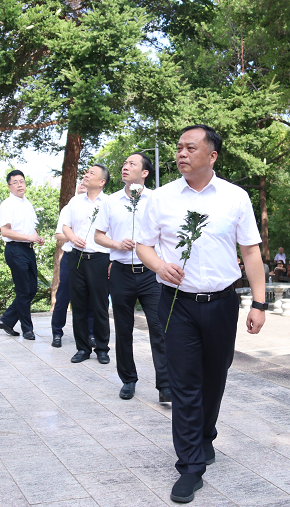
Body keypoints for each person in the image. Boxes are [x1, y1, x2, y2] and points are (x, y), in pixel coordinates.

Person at [136, 125, 266, 504]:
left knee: (214, 376)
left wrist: (259, 303)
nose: (181, 153)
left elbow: (252, 253)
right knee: (185, 384)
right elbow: (144, 246)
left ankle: (205, 434)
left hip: (223, 302)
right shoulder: (159, 199)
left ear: (211, 155)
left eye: (190, 147)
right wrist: (160, 266)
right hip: (177, 303)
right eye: (178, 147)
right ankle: (190, 466)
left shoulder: (235, 197)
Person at [94, 152, 171, 403]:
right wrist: (117, 243)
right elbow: (98, 236)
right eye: (124, 163)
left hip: (151, 274)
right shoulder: (111, 201)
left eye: (132, 164)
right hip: (121, 272)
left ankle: (166, 385)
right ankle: (128, 379)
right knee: (124, 329)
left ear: (145, 173)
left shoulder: (157, 200)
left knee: (159, 328)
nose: (125, 167)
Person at [62, 164, 111, 364]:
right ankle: (82, 348)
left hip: (100, 258)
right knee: (79, 305)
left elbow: (116, 232)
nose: (86, 175)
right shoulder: (75, 201)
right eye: (87, 172)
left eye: (92, 173)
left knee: (99, 306)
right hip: (77, 257)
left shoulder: (109, 202)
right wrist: (73, 238)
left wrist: (112, 261)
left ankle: (102, 349)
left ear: (102, 182)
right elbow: (65, 225)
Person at [0, 170, 45, 340]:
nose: (19, 185)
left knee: (32, 289)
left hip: (28, 249)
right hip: (15, 249)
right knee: (24, 290)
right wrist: (28, 237)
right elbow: (5, 231)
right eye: (15, 182)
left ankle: (7, 320)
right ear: (9, 186)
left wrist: (36, 237)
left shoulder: (28, 203)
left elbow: (30, 228)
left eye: (22, 181)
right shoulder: (7, 205)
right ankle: (27, 329)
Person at [51, 177, 95, 347]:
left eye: (86, 183)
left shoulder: (101, 205)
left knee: (91, 296)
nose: (83, 185)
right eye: (81, 183)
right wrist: (73, 238)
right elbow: (59, 235)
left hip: (92, 258)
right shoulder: (69, 208)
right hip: (71, 256)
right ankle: (57, 332)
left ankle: (91, 333)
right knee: (63, 295)